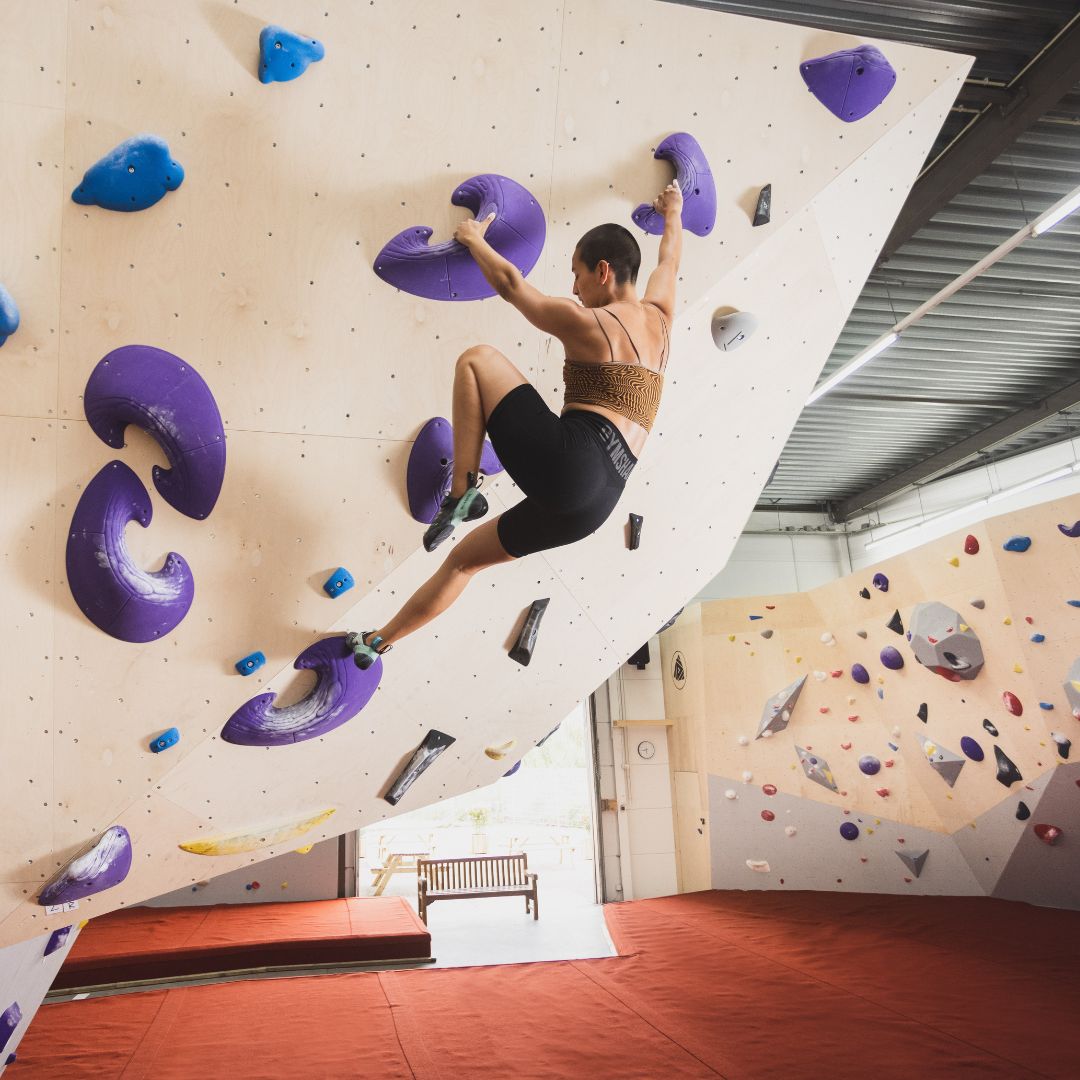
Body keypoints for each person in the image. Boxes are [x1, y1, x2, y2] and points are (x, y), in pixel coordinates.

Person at [347, 183, 684, 669]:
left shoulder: (591, 323)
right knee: (465, 560)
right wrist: (672, 213)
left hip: (577, 460)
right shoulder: (664, 319)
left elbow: (510, 285)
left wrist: (473, 239)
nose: (574, 289)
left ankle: (462, 487)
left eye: (577, 275)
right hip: (600, 502)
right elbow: (669, 262)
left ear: (603, 271)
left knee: (477, 360)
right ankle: (376, 643)